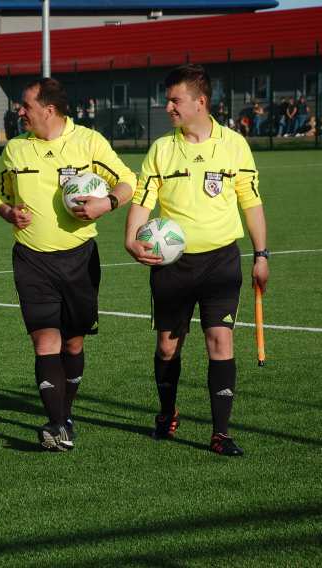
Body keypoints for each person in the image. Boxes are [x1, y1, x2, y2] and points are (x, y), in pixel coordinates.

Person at [125, 65, 268, 457]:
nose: (168, 106)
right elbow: (142, 200)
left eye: (175, 100)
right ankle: (167, 412)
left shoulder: (234, 144)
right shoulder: (162, 149)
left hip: (221, 260)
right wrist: (130, 239)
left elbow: (250, 200)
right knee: (168, 348)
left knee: (219, 341)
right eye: (167, 99)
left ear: (200, 102)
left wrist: (261, 254)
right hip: (172, 265)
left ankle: (220, 432)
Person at [0, 78, 136, 451]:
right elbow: (2, 196)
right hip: (30, 258)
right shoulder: (15, 150)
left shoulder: (88, 142)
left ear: (49, 110)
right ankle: (55, 426)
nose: (19, 112)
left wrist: (107, 203)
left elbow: (126, 181)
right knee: (45, 339)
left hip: (79, 258)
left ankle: (66, 415)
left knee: (73, 343)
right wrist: (8, 211)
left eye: (25, 105)